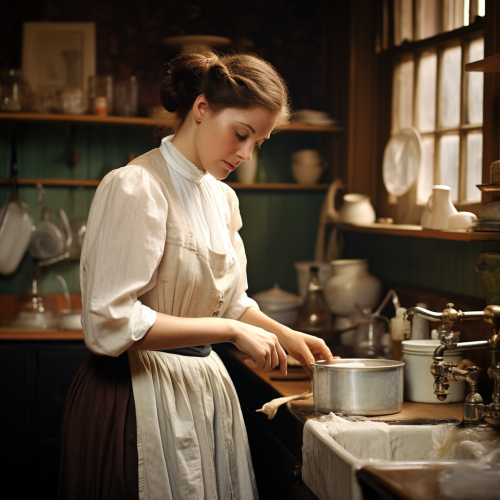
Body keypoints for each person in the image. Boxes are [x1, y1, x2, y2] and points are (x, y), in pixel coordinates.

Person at [58, 50, 335, 500]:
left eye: (258, 143)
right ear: (202, 109)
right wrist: (229, 331)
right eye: (241, 134)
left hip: (201, 392)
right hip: (136, 396)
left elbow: (231, 301)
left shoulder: (222, 200)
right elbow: (110, 322)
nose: (246, 153)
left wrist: (286, 334)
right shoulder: (135, 186)